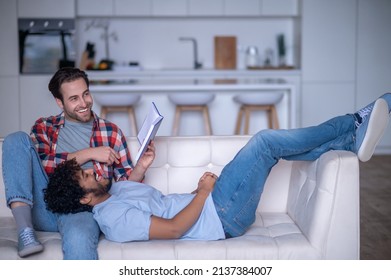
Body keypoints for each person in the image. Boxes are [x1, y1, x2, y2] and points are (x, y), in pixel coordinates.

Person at [44, 94, 391, 242]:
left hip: (212, 203)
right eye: (89, 176)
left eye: (90, 169)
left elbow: (158, 201)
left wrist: (188, 187)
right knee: (266, 142)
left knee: (271, 149)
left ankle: (349, 142)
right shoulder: (114, 219)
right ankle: (353, 121)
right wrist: (205, 192)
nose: (96, 172)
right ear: (85, 201)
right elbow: (176, 228)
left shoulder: (111, 193)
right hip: (222, 216)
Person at [2, 67, 155, 258]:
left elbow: (125, 187)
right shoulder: (45, 127)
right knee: (15, 139)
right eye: (74, 98)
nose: (84, 103)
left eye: (86, 94)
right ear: (60, 102)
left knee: (79, 238)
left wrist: (141, 167)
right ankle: (25, 232)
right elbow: (43, 165)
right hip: (44, 206)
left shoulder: (111, 132)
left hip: (84, 209)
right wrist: (90, 154)